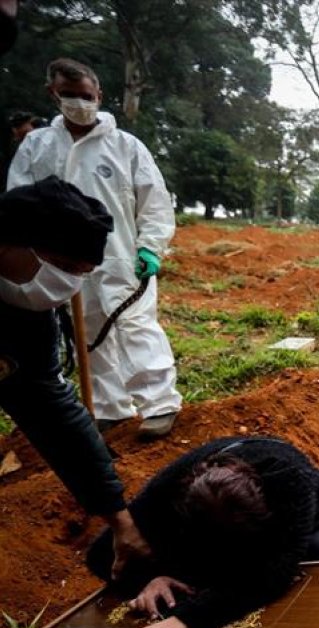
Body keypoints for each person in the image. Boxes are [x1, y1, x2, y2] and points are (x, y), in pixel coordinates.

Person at [8, 57, 182, 440]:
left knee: (136, 326)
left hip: (123, 258)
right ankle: (110, 407)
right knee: (88, 333)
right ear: (52, 93)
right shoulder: (37, 146)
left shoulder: (126, 147)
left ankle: (159, 403)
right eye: (69, 95)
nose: (79, 103)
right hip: (63, 264)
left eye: (86, 96)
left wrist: (150, 246)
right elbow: (18, 203)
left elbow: (154, 202)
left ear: (99, 95)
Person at [87, 436, 319, 628]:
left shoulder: (287, 476)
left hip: (313, 529)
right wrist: (151, 578)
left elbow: (274, 571)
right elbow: (101, 556)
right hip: (209, 549)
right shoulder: (166, 495)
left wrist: (185, 620)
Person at [0, 176, 152, 582]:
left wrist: (120, 519)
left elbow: (52, 411)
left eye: (81, 275)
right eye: (64, 268)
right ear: (10, 242)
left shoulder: (30, 320)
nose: (67, 287)